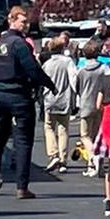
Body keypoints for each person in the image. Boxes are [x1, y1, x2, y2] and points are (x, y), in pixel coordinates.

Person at [0, 6, 57, 199]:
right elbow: (32, 70)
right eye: (22, 21)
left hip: (0, 94)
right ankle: (22, 187)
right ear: (12, 20)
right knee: (23, 141)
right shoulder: (19, 44)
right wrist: (49, 85)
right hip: (19, 96)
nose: (25, 25)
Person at [73, 40, 110, 177]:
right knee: (95, 134)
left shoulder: (81, 70)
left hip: (85, 103)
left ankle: (93, 158)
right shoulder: (104, 68)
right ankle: (94, 160)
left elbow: (76, 87)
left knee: (84, 135)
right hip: (100, 104)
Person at [41, 37, 78, 174]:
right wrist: (77, 96)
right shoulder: (68, 62)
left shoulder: (47, 64)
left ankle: (53, 154)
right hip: (64, 100)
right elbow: (73, 79)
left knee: (49, 127)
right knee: (63, 130)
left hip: (50, 100)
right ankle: (63, 160)